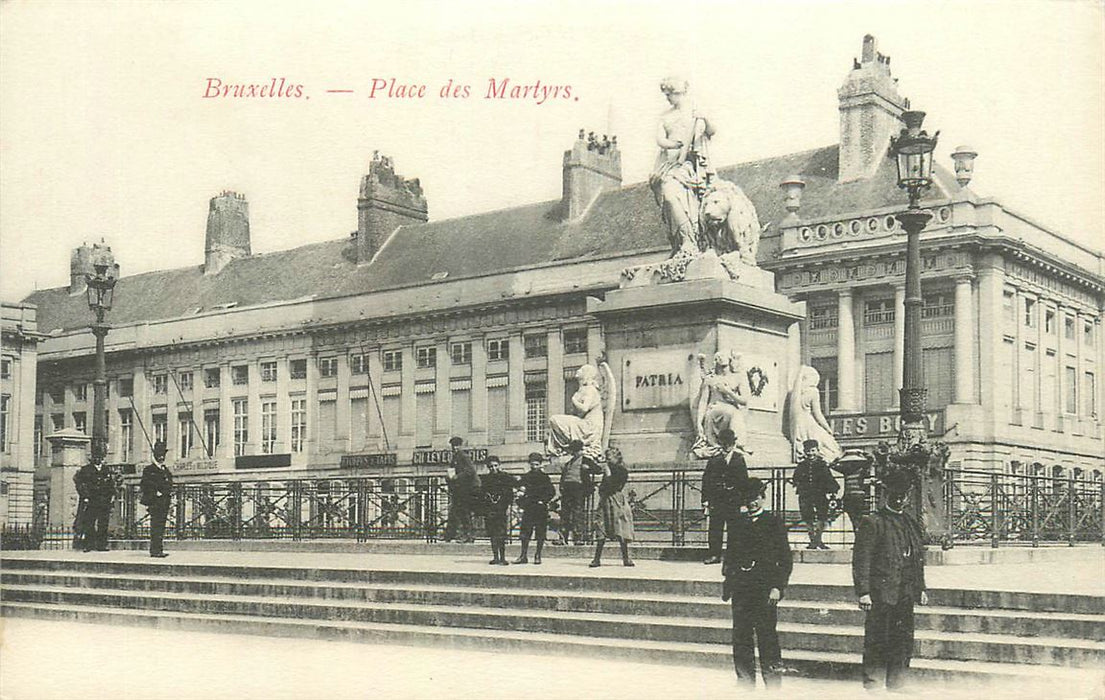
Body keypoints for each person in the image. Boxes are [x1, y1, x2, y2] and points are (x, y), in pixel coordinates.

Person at [853, 469, 928, 692]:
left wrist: (921, 588)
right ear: (886, 495)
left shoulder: (910, 522)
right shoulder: (872, 522)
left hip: (905, 591)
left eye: (903, 495)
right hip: (881, 592)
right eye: (894, 494)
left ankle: (897, 683)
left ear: (907, 497)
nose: (899, 499)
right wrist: (863, 591)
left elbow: (917, 558)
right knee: (877, 638)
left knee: (903, 639)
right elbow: (861, 559)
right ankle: (873, 683)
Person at [722, 477, 793, 690]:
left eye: (756, 498)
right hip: (741, 588)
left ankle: (773, 685)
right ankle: (744, 682)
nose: (752, 503)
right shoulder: (736, 522)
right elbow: (730, 555)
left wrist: (777, 587)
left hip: (765, 588)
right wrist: (729, 582)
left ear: (762, 498)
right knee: (741, 636)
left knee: (767, 637)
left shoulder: (773, 521)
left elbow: (785, 559)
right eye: (748, 499)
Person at [649, 75, 716, 256]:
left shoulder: (694, 112)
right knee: (668, 198)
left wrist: (705, 119)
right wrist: (674, 144)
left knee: (678, 199)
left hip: (689, 164)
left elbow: (711, 131)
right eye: (668, 94)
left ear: (682, 92)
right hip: (669, 163)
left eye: (673, 93)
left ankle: (690, 241)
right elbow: (660, 139)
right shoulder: (665, 116)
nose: (670, 97)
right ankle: (682, 241)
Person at [701, 428, 748, 565]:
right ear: (720, 444)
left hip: (734, 500)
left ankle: (733, 556)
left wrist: (744, 502)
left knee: (735, 529)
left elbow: (744, 481)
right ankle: (714, 554)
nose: (727, 447)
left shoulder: (739, 459)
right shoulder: (714, 460)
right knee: (715, 528)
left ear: (733, 444)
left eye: (729, 444)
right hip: (717, 500)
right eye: (724, 444)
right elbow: (706, 480)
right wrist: (705, 500)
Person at [694, 351, 751, 458]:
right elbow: (703, 402)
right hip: (714, 409)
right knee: (732, 413)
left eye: (724, 357)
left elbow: (744, 400)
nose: (721, 359)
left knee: (734, 413)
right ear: (715, 361)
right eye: (718, 358)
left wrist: (728, 391)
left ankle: (737, 444)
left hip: (731, 410)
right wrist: (698, 422)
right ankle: (734, 444)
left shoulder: (738, 378)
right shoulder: (710, 379)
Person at [547, 364, 605, 464]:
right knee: (555, 420)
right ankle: (563, 450)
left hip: (589, 426)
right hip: (584, 423)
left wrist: (574, 400)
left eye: (581, 371)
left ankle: (565, 449)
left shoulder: (590, 390)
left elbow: (584, 408)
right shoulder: (585, 389)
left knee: (554, 419)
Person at [589, 446, 635, 568]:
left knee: (621, 527)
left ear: (616, 458)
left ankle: (626, 558)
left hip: (616, 500)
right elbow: (604, 486)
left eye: (609, 458)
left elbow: (613, 486)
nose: (607, 461)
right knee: (601, 527)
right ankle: (596, 559)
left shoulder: (622, 471)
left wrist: (608, 473)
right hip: (605, 501)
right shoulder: (608, 468)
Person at [785, 366, 843, 462]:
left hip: (798, 425)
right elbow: (818, 414)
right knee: (831, 445)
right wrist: (828, 429)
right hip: (809, 424)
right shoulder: (813, 391)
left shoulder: (794, 394)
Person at [791, 438, 839, 550]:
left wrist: (832, 491)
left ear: (817, 450)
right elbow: (795, 478)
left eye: (812, 450)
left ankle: (819, 539)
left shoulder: (822, 465)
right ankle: (812, 540)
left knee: (822, 516)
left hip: (820, 494)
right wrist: (798, 485)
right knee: (808, 517)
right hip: (806, 495)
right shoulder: (801, 465)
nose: (810, 453)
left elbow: (829, 478)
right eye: (807, 451)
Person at [513, 452, 556, 565]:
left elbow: (551, 492)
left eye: (536, 464)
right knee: (525, 533)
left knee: (540, 532)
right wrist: (521, 502)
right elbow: (519, 491)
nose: (534, 467)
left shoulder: (544, 477)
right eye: (532, 464)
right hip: (529, 508)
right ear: (529, 464)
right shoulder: (526, 477)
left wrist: (543, 501)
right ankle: (523, 555)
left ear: (540, 464)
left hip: (540, 508)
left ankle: (538, 555)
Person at [74, 454, 117, 552]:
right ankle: (89, 544)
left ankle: (102, 545)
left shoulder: (107, 470)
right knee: (89, 522)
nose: (98, 459)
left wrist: (112, 496)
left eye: (100, 457)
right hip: (91, 499)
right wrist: (84, 495)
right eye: (96, 457)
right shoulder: (86, 470)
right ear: (92, 459)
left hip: (104, 500)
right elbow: (79, 482)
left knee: (103, 523)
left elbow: (111, 484)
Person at [140, 440, 174, 558]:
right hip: (155, 502)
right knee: (156, 526)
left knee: (161, 526)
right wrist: (155, 493)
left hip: (164, 501)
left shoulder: (165, 470)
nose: (161, 457)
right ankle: (155, 550)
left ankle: (159, 548)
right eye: (159, 455)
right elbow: (145, 485)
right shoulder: (149, 470)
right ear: (155, 455)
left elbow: (170, 483)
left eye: (163, 455)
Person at [480, 455, 516, 565]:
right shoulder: (485, 479)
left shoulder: (505, 477)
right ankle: (495, 557)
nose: (493, 468)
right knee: (492, 533)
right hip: (490, 509)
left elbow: (514, 486)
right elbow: (481, 492)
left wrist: (508, 503)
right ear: (488, 467)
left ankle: (503, 557)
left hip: (501, 508)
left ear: (499, 465)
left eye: (495, 466)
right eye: (491, 467)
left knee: (501, 533)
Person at [443, 436, 480, 543]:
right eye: (453, 446)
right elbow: (452, 471)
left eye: (457, 445)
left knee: (464, 512)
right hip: (459, 489)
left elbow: (470, 471)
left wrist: (457, 477)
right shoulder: (455, 458)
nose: (455, 448)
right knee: (454, 511)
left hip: (467, 489)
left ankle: (468, 535)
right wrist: (449, 477)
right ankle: (450, 535)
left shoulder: (464, 456)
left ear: (461, 446)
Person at [557, 440, 587, 545]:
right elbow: (564, 475)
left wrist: (587, 468)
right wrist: (561, 486)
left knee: (577, 513)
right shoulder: (569, 463)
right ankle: (562, 537)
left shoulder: (585, 460)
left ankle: (578, 537)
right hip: (567, 489)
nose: (574, 453)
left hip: (578, 488)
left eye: (576, 451)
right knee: (565, 513)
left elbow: (597, 469)